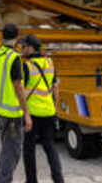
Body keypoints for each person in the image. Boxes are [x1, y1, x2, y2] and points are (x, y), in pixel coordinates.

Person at [0, 23, 32, 183]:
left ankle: (2, 179)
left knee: (7, 150)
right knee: (11, 152)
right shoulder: (14, 58)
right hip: (12, 114)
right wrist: (27, 113)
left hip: (0, 111)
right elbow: (18, 86)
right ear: (17, 38)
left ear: (2, 37)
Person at [22, 34, 65, 183]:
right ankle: (58, 178)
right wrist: (56, 106)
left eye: (24, 46)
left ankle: (31, 180)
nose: (22, 49)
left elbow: (20, 90)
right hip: (48, 112)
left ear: (31, 48)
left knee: (29, 149)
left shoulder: (27, 66)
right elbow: (55, 86)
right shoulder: (50, 63)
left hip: (33, 114)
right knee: (50, 146)